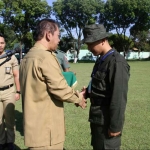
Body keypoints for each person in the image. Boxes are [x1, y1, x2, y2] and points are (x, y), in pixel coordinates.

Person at [19, 19, 86, 150]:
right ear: (49, 35)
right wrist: (79, 98)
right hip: (47, 131)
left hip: (34, 129)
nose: (59, 40)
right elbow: (60, 89)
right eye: (58, 35)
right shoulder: (45, 58)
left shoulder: (27, 57)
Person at [82, 24, 130, 150]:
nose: (89, 47)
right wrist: (86, 92)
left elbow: (119, 98)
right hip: (97, 119)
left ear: (103, 40)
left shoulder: (117, 62)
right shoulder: (100, 60)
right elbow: (98, 85)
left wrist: (115, 126)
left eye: (91, 43)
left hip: (107, 121)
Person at [0, 34, 20, 150]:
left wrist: (18, 91)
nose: (0, 45)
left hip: (9, 91)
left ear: (5, 43)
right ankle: (1, 141)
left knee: (10, 119)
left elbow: (16, 75)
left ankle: (10, 141)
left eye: (2, 43)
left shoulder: (11, 57)